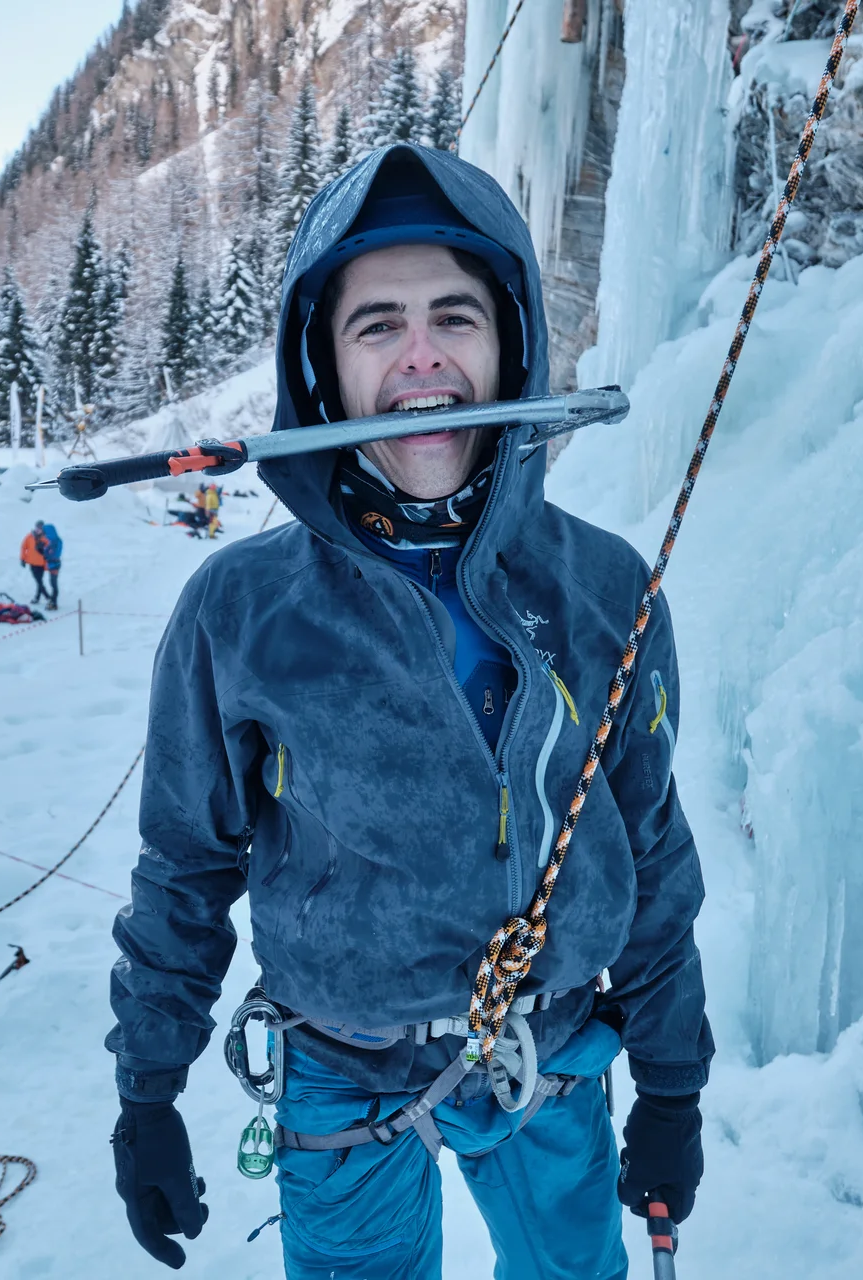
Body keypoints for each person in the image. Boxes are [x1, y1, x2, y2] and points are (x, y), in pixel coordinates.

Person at [107, 144, 710, 1278]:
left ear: (510, 342)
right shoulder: (239, 612)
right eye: (377, 325)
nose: (422, 355)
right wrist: (147, 1087)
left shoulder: (606, 589)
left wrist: (672, 1081)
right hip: (340, 1073)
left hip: (554, 1054)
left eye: (455, 317)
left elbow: (654, 850)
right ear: (322, 367)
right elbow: (185, 865)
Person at [22, 520, 61, 611]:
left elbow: (52, 551)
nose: (38, 530)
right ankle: (46, 596)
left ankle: (41, 597)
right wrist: (23, 559)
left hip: (42, 563)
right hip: (32, 562)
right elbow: (24, 547)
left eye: (40, 529)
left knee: (40, 581)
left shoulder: (46, 538)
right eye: (37, 528)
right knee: (38, 580)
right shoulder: (29, 536)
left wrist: (43, 550)